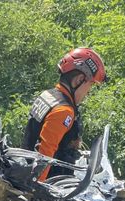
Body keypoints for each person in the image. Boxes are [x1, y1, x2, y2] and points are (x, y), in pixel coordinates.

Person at [23, 48, 107, 181]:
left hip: (26, 168)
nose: (88, 92)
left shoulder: (49, 95)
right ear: (79, 80)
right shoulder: (64, 111)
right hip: (49, 184)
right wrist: (36, 190)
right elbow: (44, 153)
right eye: (90, 86)